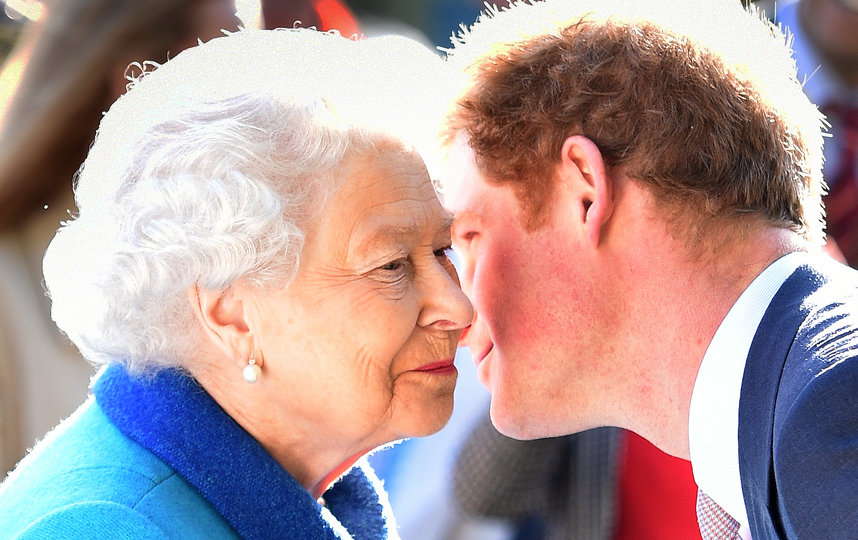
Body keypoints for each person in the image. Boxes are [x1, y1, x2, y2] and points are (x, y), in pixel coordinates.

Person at [0, 27, 472, 537]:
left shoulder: (294, 485)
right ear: (233, 315)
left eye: (443, 250)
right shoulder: (106, 526)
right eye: (392, 265)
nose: (458, 306)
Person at [437, 0, 857, 538]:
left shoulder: (832, 411)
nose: (454, 307)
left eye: (470, 237)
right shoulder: (801, 410)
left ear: (584, 192)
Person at [0, 0, 252, 476]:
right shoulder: (10, 293)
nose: (262, 99)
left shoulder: (232, 277)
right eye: (229, 65)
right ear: (139, 87)